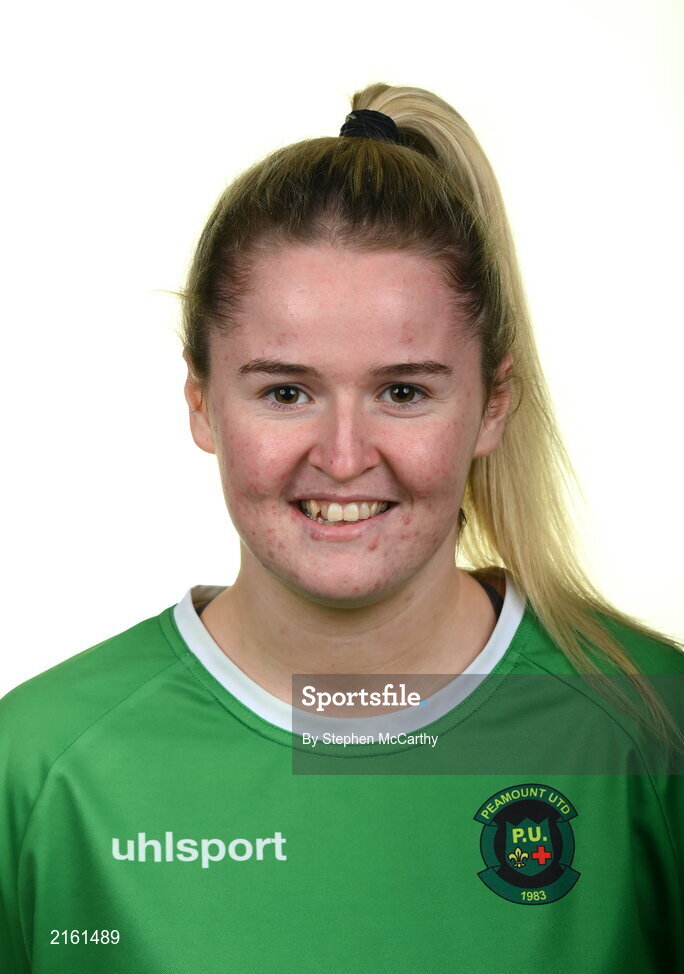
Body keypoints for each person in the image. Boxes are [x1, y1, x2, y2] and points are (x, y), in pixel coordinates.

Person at [0, 82, 682, 974]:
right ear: (202, 403)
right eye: (286, 392)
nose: (346, 455)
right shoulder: (40, 765)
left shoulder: (650, 727)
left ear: (492, 406)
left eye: (404, 392)